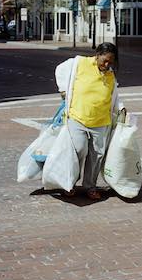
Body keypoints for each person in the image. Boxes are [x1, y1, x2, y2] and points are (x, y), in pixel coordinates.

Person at [54, 42, 126, 200]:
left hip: (101, 121)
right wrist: (63, 90)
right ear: (97, 55)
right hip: (77, 117)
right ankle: (69, 183)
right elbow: (60, 69)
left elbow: (114, 95)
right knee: (78, 150)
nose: (107, 64)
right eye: (104, 60)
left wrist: (121, 109)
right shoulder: (79, 62)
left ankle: (90, 186)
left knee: (96, 156)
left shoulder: (110, 74)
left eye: (110, 61)